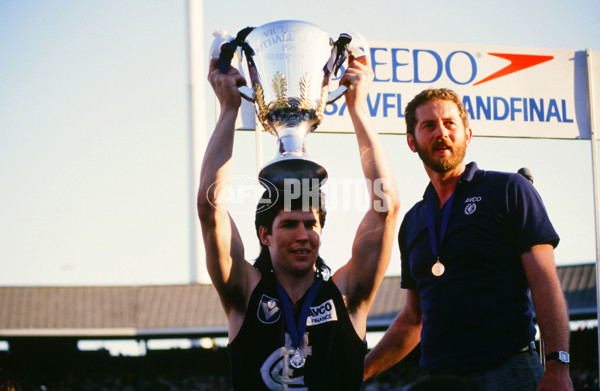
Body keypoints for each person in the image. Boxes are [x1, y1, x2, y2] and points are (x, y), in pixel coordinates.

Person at [198, 53, 399, 390]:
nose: (304, 235)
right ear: (265, 235)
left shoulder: (347, 297)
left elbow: (387, 207)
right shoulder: (246, 294)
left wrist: (358, 108)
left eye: (311, 224)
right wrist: (228, 110)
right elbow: (210, 208)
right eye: (289, 225)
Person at [363, 88, 573, 391]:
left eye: (450, 124)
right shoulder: (412, 221)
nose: (442, 133)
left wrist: (558, 366)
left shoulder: (509, 190)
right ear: (412, 141)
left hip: (510, 371)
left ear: (468, 135)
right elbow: (412, 319)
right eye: (429, 126)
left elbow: (544, 281)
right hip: (441, 380)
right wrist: (358, 371)